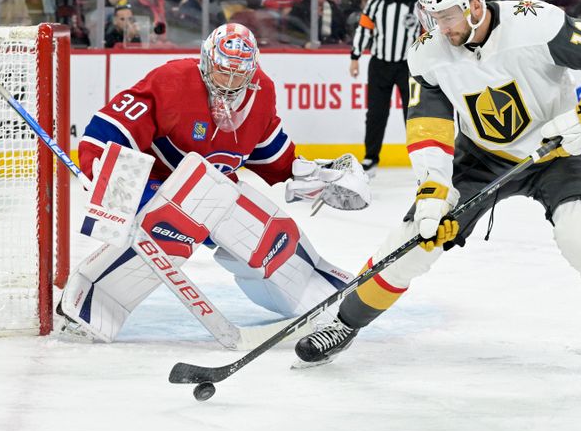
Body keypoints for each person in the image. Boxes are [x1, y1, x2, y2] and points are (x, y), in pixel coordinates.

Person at [295, 0, 581, 389]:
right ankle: (345, 322)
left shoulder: (537, 25)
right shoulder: (427, 50)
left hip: (556, 149)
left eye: (447, 15)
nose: (439, 26)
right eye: (432, 15)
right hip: (481, 157)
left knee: (578, 234)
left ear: (474, 5)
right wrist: (433, 189)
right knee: (417, 236)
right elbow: (427, 125)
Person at [58, 23, 367, 343]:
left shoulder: (261, 91)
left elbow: (268, 151)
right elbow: (115, 126)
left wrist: (307, 174)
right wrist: (98, 166)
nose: (230, 84)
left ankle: (315, 289)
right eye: (223, 73)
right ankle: (92, 300)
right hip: (152, 185)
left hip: (213, 191)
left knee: (258, 225)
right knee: (184, 210)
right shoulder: (173, 80)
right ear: (207, 61)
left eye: (239, 75)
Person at [349, 0, 419, 175]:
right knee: (376, 113)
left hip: (409, 67)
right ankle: (371, 158)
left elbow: (429, 35)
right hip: (380, 64)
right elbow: (364, 29)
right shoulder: (377, 1)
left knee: (413, 114)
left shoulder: (419, 3)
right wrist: (355, 56)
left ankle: (419, 159)